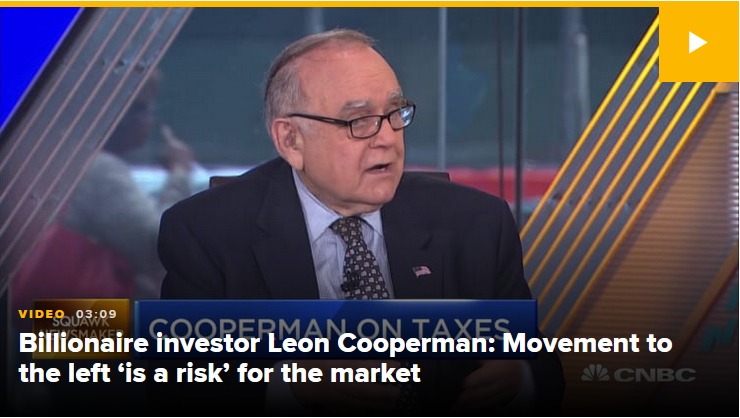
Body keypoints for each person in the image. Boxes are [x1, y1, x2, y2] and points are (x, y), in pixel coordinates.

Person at [158, 29, 564, 414]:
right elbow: (179, 383)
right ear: (291, 140)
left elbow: (541, 367)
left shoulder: (477, 225)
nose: (387, 138)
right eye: (359, 121)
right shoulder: (206, 234)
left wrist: (520, 378)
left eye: (394, 113)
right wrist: (291, 387)